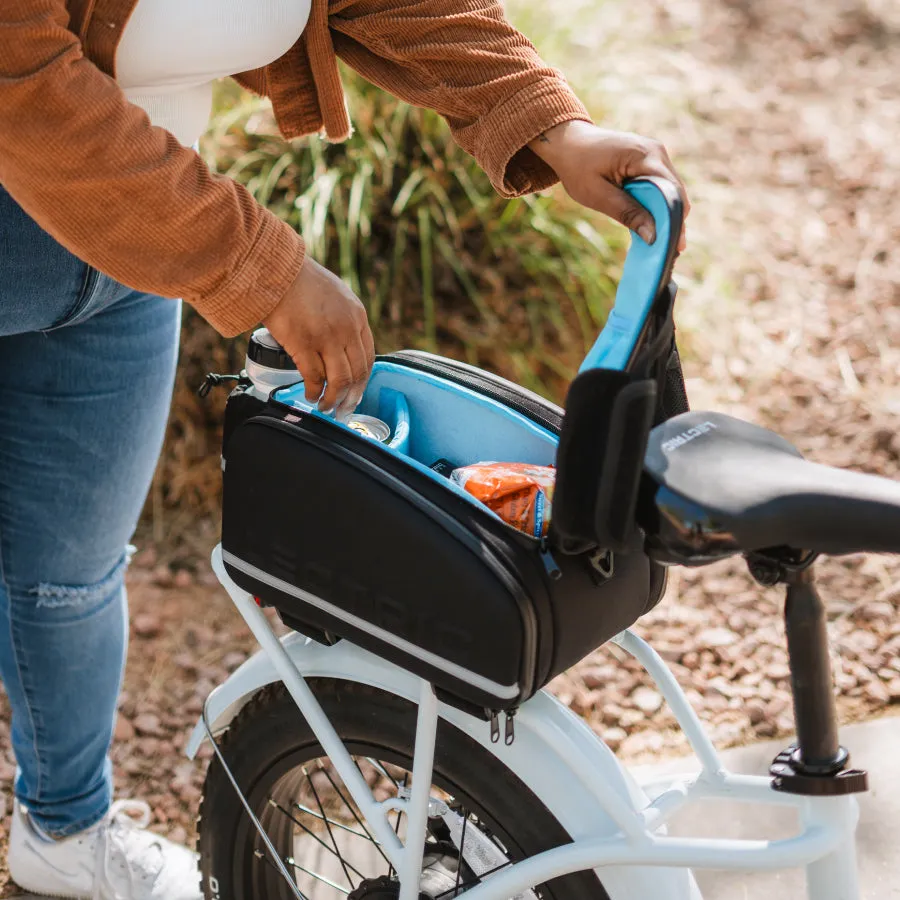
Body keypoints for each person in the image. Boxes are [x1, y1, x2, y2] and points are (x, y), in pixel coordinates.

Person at [0, 0, 690, 896]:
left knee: (70, 574)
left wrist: (550, 124)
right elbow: (20, 77)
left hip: (129, 246)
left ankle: (64, 828)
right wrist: (261, 267)